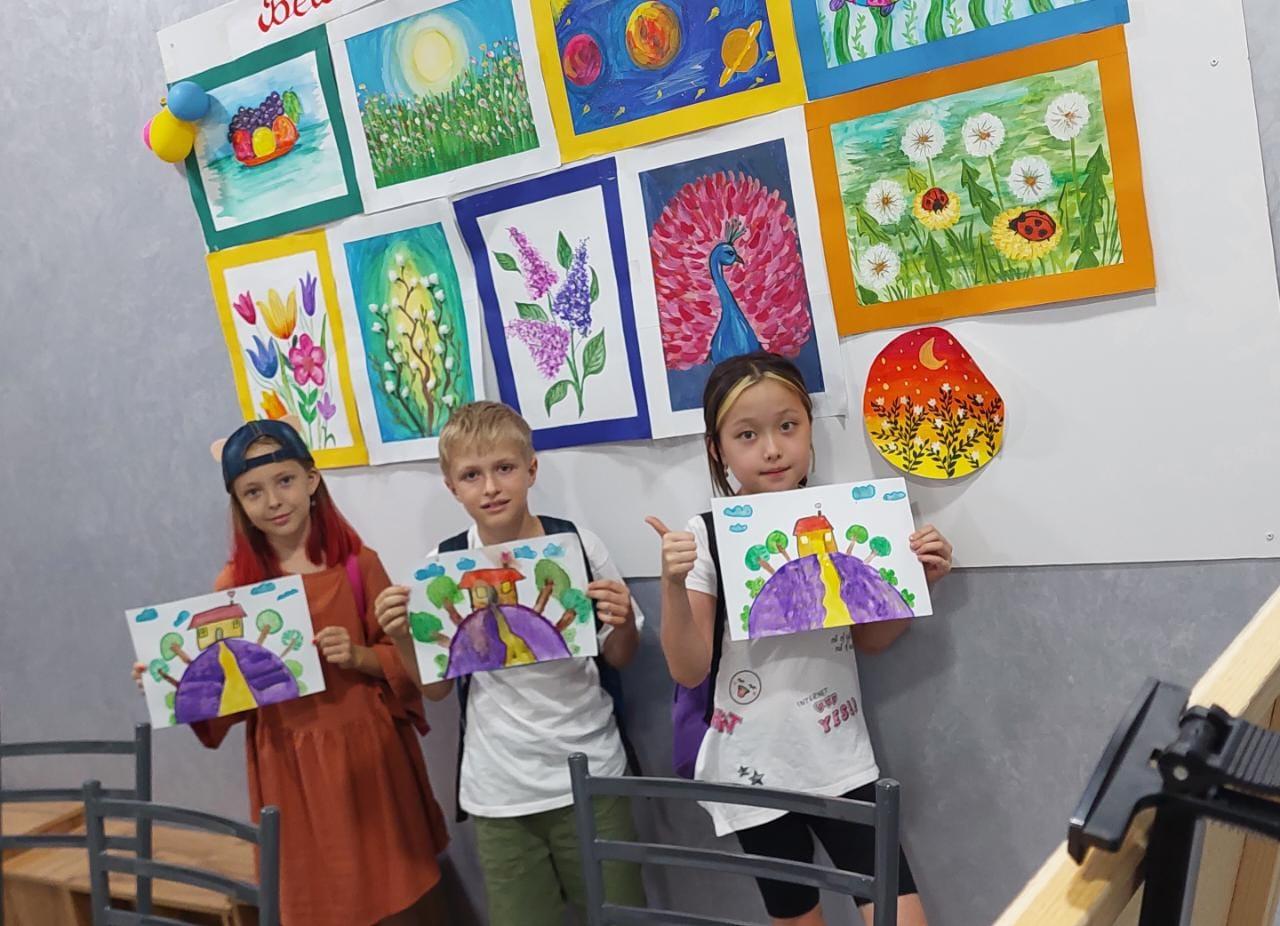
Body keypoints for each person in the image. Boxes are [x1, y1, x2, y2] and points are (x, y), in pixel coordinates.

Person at [648, 353, 953, 926]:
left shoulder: (852, 519)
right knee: (796, 915)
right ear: (717, 449)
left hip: (840, 757)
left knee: (899, 909)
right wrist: (671, 583)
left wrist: (917, 584)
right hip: (750, 767)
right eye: (747, 435)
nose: (772, 449)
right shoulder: (706, 536)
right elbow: (688, 670)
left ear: (810, 430)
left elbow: (872, 641)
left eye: (788, 426)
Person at [132, 418, 450, 926]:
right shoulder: (234, 587)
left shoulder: (358, 565)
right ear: (239, 504)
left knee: (396, 890)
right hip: (290, 765)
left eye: (284, 481)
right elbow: (224, 698)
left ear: (311, 480)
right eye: (253, 492)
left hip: (370, 756)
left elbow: (407, 660)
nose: (274, 501)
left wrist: (359, 656)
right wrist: (173, 680)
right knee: (321, 899)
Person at [374, 401, 647, 926]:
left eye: (504, 468)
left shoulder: (577, 545)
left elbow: (621, 656)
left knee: (620, 916)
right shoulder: (441, 566)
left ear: (531, 469)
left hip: (590, 771)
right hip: (498, 790)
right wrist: (402, 637)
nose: (491, 488)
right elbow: (435, 689)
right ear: (451, 487)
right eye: (471, 475)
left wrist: (624, 623)